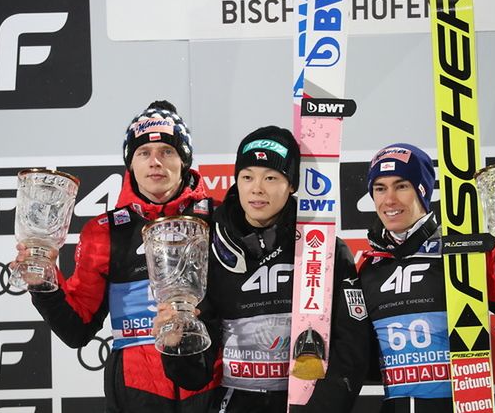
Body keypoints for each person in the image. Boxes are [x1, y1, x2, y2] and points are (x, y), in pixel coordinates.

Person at [11, 100, 219, 412]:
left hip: (212, 387)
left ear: (184, 161)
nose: (155, 162)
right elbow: (76, 328)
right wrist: (43, 284)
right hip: (137, 393)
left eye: (167, 151)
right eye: (143, 153)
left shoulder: (219, 219)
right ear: (130, 163)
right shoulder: (104, 231)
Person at [154, 126, 370, 413]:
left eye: (270, 177)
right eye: (247, 177)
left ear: (292, 184)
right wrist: (177, 346)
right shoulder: (208, 249)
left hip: (307, 403)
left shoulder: (325, 248)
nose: (257, 188)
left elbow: (352, 349)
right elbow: (195, 376)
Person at [359, 142, 495, 413]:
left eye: (401, 185)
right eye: (380, 188)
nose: (389, 199)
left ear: (423, 190)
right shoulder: (368, 266)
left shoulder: (466, 253)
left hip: (461, 404)